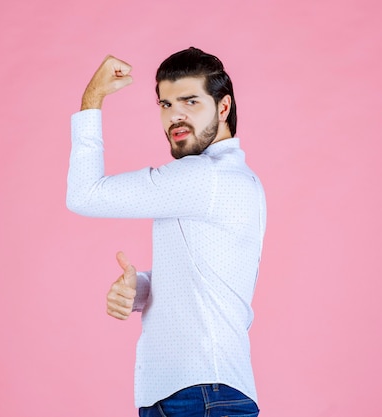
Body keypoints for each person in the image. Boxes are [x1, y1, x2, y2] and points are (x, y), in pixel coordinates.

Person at [66, 47, 267, 417]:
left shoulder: (205, 178)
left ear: (223, 108)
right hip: (192, 394)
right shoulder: (230, 179)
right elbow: (206, 277)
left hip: (201, 397)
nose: (175, 116)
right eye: (165, 104)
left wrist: (91, 98)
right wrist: (140, 288)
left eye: (190, 101)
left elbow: (85, 195)